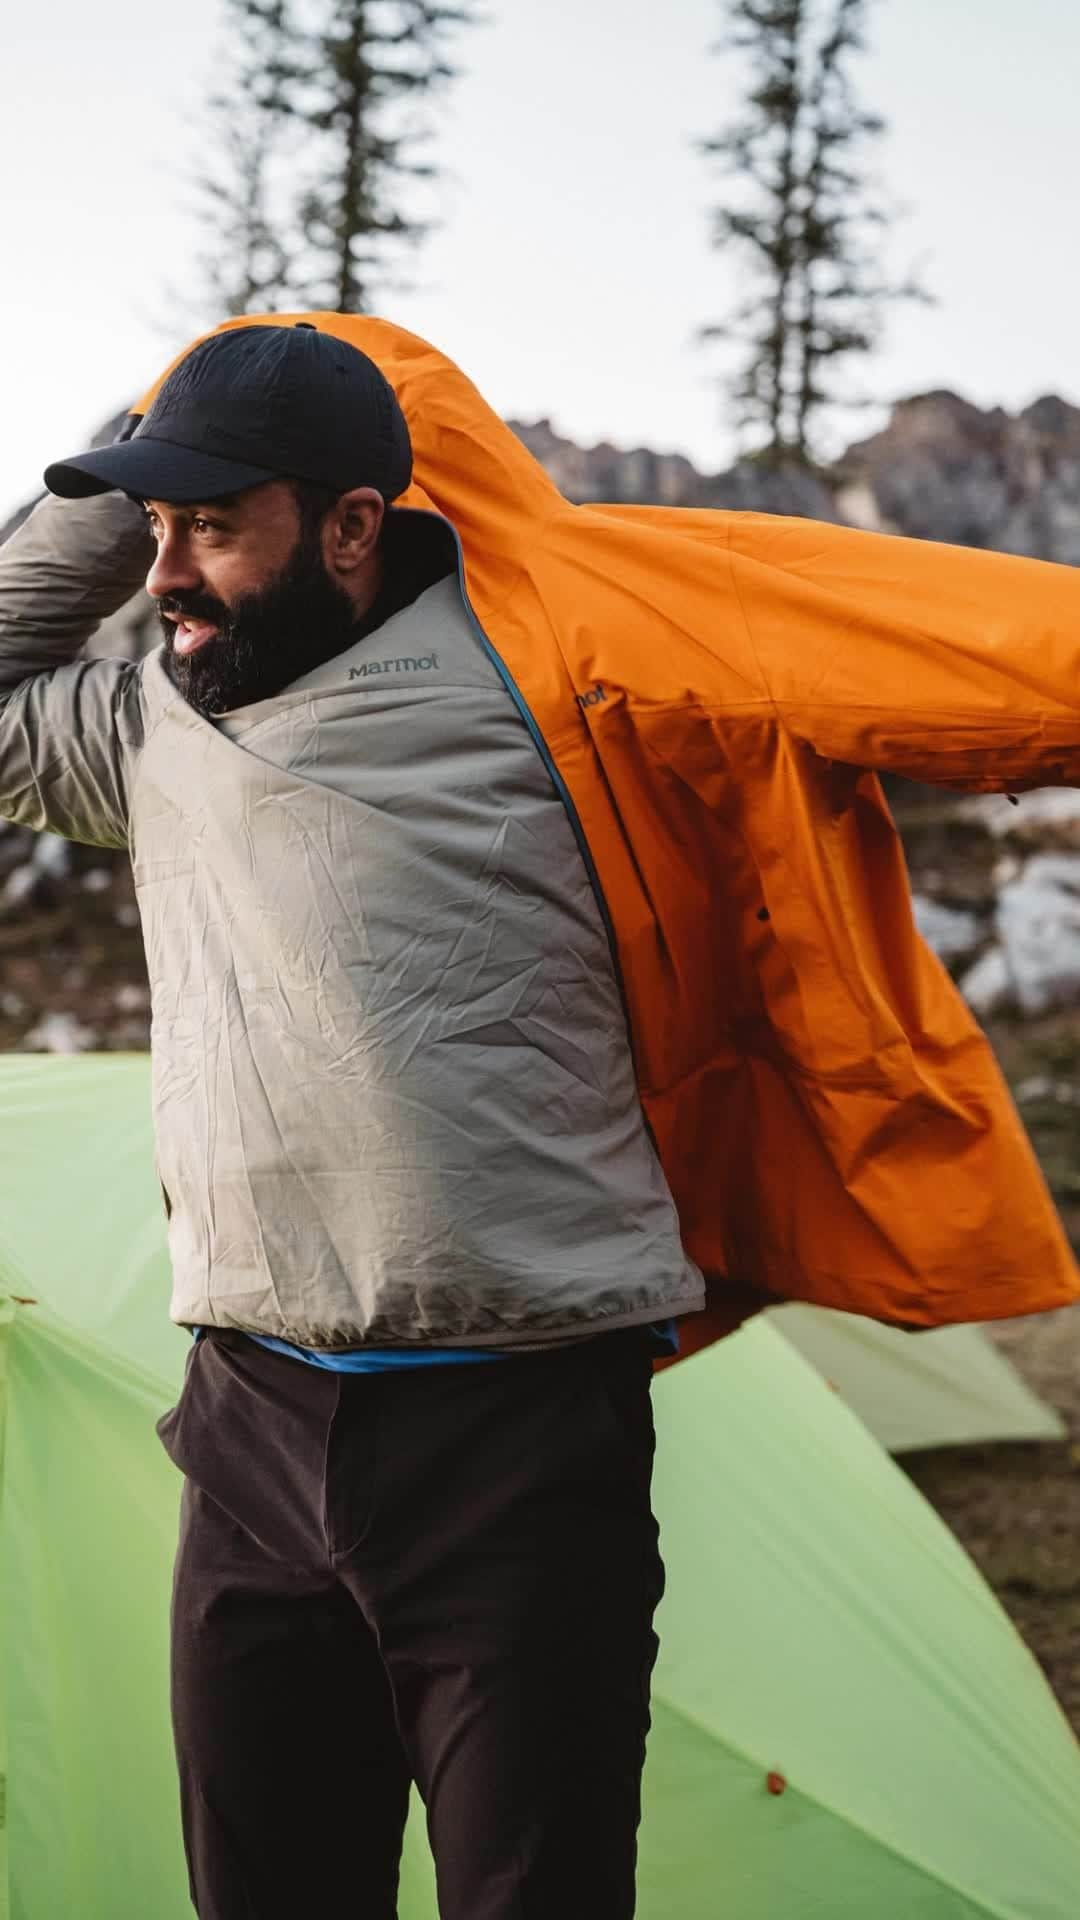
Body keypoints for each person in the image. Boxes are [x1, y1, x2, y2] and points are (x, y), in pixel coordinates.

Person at [2, 312, 1079, 1919]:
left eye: (215, 528)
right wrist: (157, 424)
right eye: (159, 529)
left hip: (513, 1437)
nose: (168, 575)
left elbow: (899, 644)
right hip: (250, 1422)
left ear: (356, 526)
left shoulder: (563, 675)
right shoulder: (162, 719)